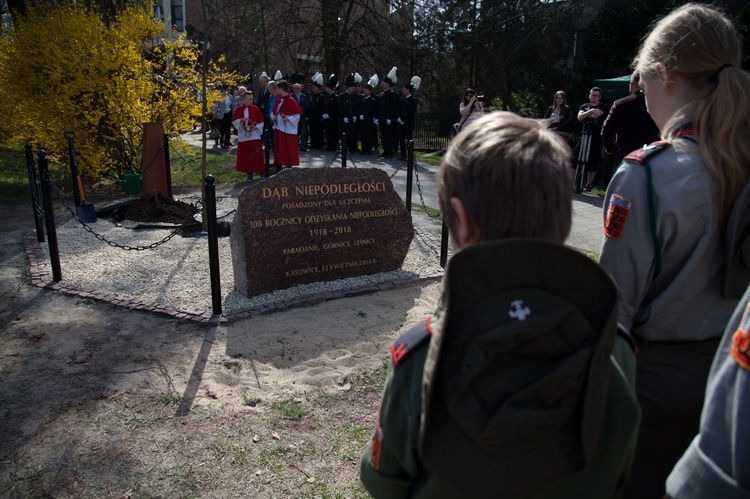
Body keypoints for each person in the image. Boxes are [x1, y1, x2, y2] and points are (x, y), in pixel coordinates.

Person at [360, 111, 640, 498]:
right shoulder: (614, 350)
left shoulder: (420, 359)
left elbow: (384, 482)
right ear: (563, 221)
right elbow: (619, 469)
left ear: (460, 218)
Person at [596, 4, 750, 498]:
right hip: (733, 386)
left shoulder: (646, 174)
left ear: (663, 75)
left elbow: (613, 310)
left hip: (655, 388)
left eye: (640, 81)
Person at [601, 72, 659, 172]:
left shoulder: (620, 104)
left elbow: (606, 132)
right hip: (652, 158)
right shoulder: (658, 104)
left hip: (625, 158)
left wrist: (610, 151)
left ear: (631, 85)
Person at [577, 87, 608, 191]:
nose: (594, 97)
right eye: (592, 95)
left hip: (596, 137)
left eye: (596, 95)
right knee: (576, 157)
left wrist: (588, 114)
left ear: (599, 97)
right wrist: (591, 111)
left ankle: (589, 184)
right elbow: (580, 117)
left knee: (593, 160)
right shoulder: (584, 106)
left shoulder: (603, 106)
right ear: (589, 95)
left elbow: (597, 115)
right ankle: (576, 182)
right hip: (584, 135)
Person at [231, 87, 266, 182]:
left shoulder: (255, 109)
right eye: (249, 99)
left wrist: (256, 127)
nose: (252, 101)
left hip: (254, 135)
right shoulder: (238, 110)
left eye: (252, 99)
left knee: (257, 155)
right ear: (244, 100)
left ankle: (262, 172)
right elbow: (235, 122)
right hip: (244, 136)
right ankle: (249, 174)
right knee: (247, 155)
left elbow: (261, 121)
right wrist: (241, 120)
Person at [271, 80, 302, 168]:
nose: (276, 90)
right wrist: (274, 117)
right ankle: (279, 166)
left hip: (288, 130)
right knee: (280, 149)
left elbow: (296, 116)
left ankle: (288, 166)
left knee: (288, 149)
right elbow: (274, 112)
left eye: (277, 88)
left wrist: (288, 118)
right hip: (279, 128)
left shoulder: (291, 100)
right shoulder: (279, 99)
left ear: (281, 89)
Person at [378, 69, 399, 158]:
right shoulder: (382, 94)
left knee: (389, 135)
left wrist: (390, 117)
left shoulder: (392, 94)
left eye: (383, 83)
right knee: (383, 135)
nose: (382, 84)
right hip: (382, 118)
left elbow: (392, 108)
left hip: (389, 119)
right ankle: (385, 150)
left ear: (388, 84)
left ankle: (390, 151)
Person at [339, 74, 361, 154]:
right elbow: (341, 108)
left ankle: (353, 148)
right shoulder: (342, 96)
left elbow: (356, 107)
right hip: (345, 119)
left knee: (353, 134)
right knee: (345, 134)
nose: (353, 89)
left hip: (352, 118)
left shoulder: (354, 96)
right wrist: (343, 117)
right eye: (352, 88)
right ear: (348, 88)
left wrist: (355, 115)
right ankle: (345, 147)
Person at [396, 82, 417, 160]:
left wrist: (404, 119)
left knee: (409, 139)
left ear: (408, 90)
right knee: (401, 139)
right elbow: (398, 109)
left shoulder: (413, 100)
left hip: (408, 123)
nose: (403, 90)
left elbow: (411, 112)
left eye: (404, 89)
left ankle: (410, 154)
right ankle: (402, 154)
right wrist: (399, 118)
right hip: (401, 122)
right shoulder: (402, 99)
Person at [360, 83, 379, 155]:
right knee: (363, 135)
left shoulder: (372, 101)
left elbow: (372, 111)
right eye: (364, 91)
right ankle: (363, 149)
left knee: (369, 135)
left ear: (370, 91)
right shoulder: (362, 100)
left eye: (366, 91)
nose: (365, 92)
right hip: (362, 121)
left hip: (369, 121)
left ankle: (369, 149)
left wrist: (365, 116)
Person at [322, 76, 339, 152]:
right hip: (326, 118)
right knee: (327, 132)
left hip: (333, 118)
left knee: (333, 132)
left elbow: (336, 108)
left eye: (327, 88)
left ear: (330, 88)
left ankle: (333, 146)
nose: (326, 89)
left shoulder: (336, 97)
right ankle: (329, 145)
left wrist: (330, 114)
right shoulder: (326, 96)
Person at [291, 82, 309, 151]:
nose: (296, 90)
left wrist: (301, 109)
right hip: (294, 117)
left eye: (297, 88)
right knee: (295, 132)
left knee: (303, 132)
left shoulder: (304, 96)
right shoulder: (291, 96)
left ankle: (303, 145)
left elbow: (307, 106)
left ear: (300, 89)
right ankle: (295, 145)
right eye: (294, 88)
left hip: (302, 117)